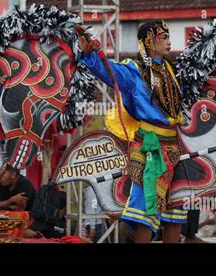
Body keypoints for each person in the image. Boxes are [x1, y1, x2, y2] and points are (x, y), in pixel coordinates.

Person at [78, 20, 188, 243]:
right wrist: (91, 55)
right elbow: (109, 72)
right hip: (151, 146)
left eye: (168, 37)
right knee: (146, 211)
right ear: (149, 41)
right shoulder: (134, 70)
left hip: (175, 145)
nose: (169, 41)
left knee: (175, 211)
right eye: (163, 37)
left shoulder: (171, 70)